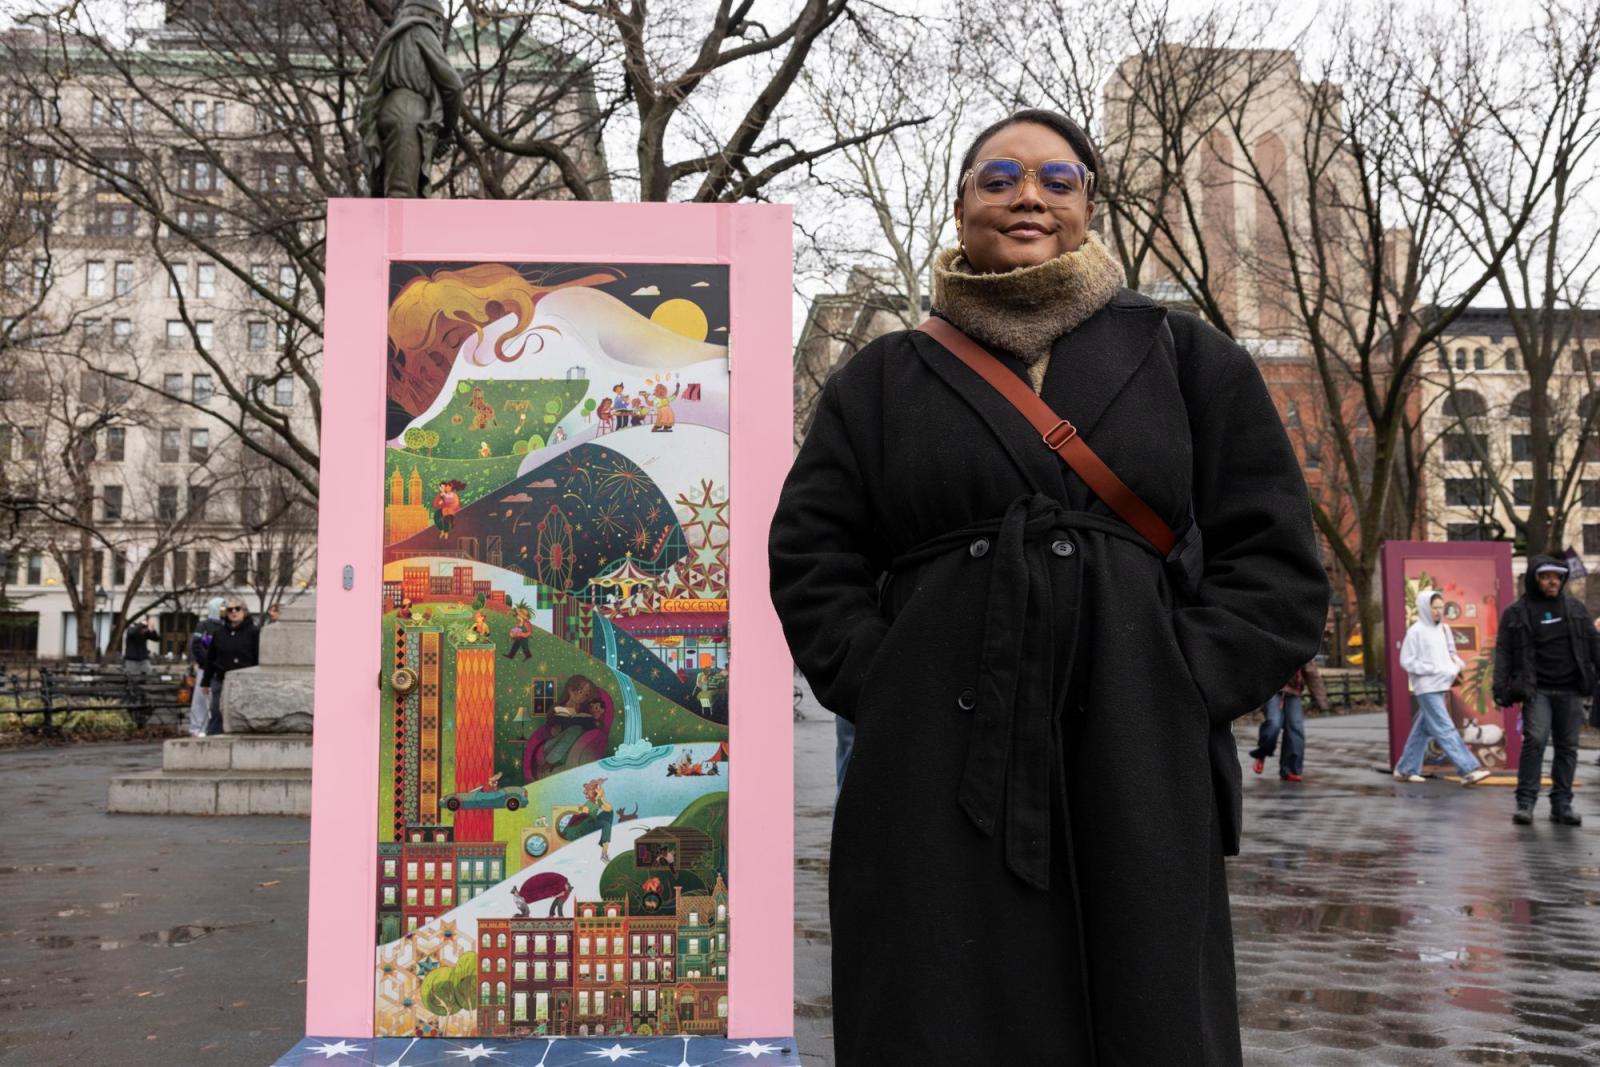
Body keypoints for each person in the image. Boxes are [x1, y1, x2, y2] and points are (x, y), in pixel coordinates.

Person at [767, 108, 1329, 1064]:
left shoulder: (1185, 358)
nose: (1028, 196)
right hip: (933, 763)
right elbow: (812, 554)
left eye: (1056, 180)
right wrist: (889, 684)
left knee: (1142, 1009)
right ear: (960, 205)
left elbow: (1273, 557)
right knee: (939, 1005)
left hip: (1136, 756)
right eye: (1000, 178)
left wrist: (1176, 679)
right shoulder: (883, 378)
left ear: (1087, 207)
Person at [1492, 556, 1600, 826]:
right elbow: (1504, 651)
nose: (1552, 581)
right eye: (1546, 576)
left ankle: (1562, 804)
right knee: (1536, 740)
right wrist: (1500, 686)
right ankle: (1526, 802)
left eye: (1557, 576)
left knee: (1567, 746)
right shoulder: (1516, 612)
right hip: (1536, 689)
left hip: (1571, 689)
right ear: (1534, 579)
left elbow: (1593, 642)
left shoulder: (1575, 609)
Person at [1395, 589, 1492, 786]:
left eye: (1441, 607)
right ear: (1424, 607)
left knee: (1422, 729)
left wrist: (1456, 666)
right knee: (1444, 727)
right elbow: (1407, 661)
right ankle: (1468, 769)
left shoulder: (1444, 629)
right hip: (1426, 686)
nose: (1439, 611)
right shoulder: (1415, 632)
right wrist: (1433, 669)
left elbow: (1452, 653)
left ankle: (1406, 769)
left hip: (1443, 684)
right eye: (1435, 607)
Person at [1249, 660, 1329, 781]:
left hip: (1293, 693)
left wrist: (1323, 704)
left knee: (1296, 729)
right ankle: (1262, 752)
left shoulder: (1302, 644)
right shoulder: (1274, 642)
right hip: (1272, 691)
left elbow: (1312, 675)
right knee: (1274, 723)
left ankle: (1290, 769)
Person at [202, 599, 260, 736]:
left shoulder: (254, 632)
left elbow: (258, 657)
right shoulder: (219, 632)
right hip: (221, 678)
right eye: (230, 609)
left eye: (237, 609)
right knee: (216, 710)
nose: (233, 612)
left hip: (245, 680)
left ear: (244, 611)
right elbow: (211, 657)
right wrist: (206, 681)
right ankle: (213, 738)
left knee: (243, 712)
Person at [187, 598, 225, 737]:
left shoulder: (227, 626)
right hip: (205, 669)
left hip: (221, 670)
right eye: (222, 608)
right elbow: (196, 646)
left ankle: (215, 727)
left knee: (217, 701)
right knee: (201, 700)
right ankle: (197, 728)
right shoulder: (203, 625)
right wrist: (207, 663)